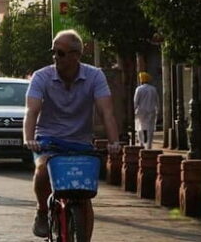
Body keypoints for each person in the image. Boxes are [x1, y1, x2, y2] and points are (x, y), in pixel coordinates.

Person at [23, 30, 120, 240]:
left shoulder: (95, 76)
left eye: (61, 53)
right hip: (48, 141)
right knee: (41, 172)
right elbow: (32, 112)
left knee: (83, 195)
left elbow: (107, 112)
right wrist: (29, 139)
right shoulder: (42, 76)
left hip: (81, 142)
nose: (55, 57)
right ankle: (41, 210)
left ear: (76, 55)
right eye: (54, 52)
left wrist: (114, 142)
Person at [134, 72, 159, 150]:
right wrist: (158, 109)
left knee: (139, 127)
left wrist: (134, 110)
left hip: (141, 111)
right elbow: (157, 100)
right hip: (151, 111)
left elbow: (135, 101)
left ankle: (141, 143)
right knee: (150, 128)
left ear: (141, 80)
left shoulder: (139, 89)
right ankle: (149, 145)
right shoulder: (153, 89)